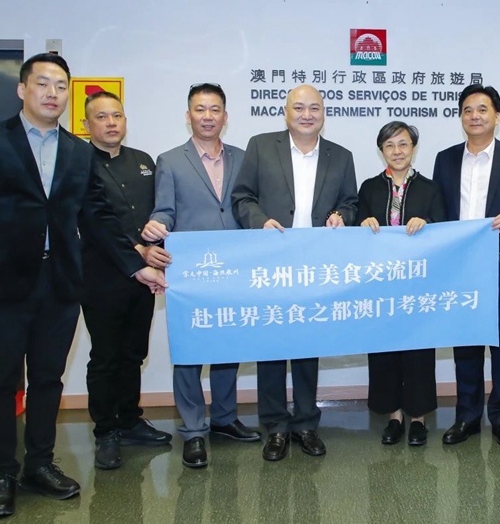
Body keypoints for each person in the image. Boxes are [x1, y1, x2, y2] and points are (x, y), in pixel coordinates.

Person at [0, 53, 165, 519]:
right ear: (22, 89)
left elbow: (97, 217)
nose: (52, 93)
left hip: (62, 283)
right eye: (43, 83)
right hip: (2, 285)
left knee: (48, 379)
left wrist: (135, 266)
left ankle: (39, 465)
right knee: (1, 381)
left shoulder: (77, 152)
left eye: (61, 86)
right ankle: (1, 473)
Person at [232, 84, 359, 461]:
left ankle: (306, 423)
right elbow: (242, 197)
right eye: (299, 107)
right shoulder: (260, 146)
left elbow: (350, 202)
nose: (307, 114)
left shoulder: (341, 156)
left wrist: (342, 216)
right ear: (286, 112)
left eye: (314, 108)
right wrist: (259, 221)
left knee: (307, 345)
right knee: (272, 345)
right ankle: (274, 426)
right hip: (271, 264)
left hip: (317, 266)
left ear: (323, 113)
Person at [141, 83, 261, 469]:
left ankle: (224, 418)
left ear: (225, 116)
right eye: (200, 109)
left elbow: (249, 206)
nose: (207, 116)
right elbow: (164, 209)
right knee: (189, 351)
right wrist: (156, 226)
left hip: (236, 268)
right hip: (191, 270)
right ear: (188, 115)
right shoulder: (170, 160)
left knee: (228, 345)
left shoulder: (245, 158)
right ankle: (193, 429)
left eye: (214, 109)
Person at [432, 84, 500, 449]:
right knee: (466, 349)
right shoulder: (445, 159)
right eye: (467, 110)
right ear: (460, 117)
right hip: (459, 269)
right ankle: (467, 416)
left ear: (496, 116)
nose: (474, 116)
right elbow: (438, 211)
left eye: (482, 109)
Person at [80, 91, 173, 471]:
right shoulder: (79, 163)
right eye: (101, 117)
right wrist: (138, 252)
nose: (111, 123)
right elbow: (94, 222)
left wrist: (157, 249)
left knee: (134, 352)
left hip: (143, 278)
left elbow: (158, 214)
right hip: (102, 276)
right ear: (86, 125)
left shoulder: (143, 161)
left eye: (116, 115)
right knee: (106, 355)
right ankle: (106, 431)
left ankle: (130, 420)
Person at [357, 121, 446, 446]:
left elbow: (444, 229)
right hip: (380, 286)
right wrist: (362, 223)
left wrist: (428, 223)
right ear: (381, 150)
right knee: (384, 352)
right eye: (390, 145)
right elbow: (354, 229)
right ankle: (393, 417)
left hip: (418, 286)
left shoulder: (430, 188)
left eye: (403, 144)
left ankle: (418, 419)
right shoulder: (369, 188)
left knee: (418, 352)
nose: (397, 151)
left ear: (413, 148)